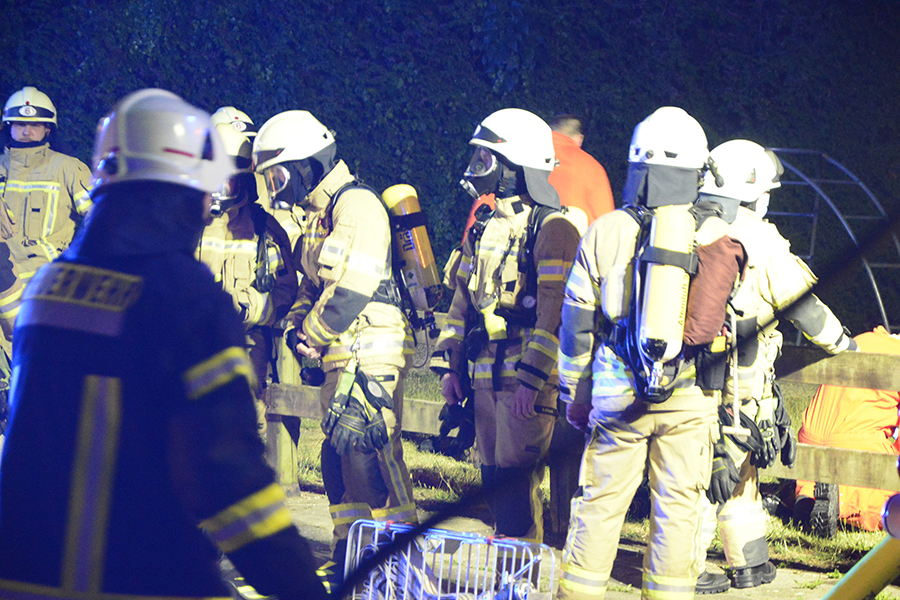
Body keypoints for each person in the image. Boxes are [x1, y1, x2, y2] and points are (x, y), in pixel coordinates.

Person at [0, 89, 327, 599]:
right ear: (184, 191)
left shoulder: (46, 289)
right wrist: (301, 587)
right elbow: (231, 482)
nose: (209, 207)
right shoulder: (185, 299)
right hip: (138, 582)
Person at [555, 107, 748, 600]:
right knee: (678, 510)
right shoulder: (717, 235)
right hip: (690, 399)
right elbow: (731, 327)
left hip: (618, 395)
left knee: (599, 504)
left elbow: (576, 324)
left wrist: (574, 392)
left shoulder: (605, 230)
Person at [252, 109, 416, 590]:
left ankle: (397, 565)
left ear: (307, 165)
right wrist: (297, 326)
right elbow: (313, 284)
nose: (275, 188)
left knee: (371, 453)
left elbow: (353, 287)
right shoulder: (319, 218)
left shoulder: (357, 206)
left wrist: (312, 334)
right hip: (341, 352)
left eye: (278, 176)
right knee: (336, 457)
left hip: (372, 348)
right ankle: (350, 554)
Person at [694, 139, 859, 593]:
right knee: (713, 474)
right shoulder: (757, 236)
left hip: (688, 375)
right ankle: (685, 568)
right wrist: (844, 345)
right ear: (754, 190)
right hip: (739, 380)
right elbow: (802, 305)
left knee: (735, 471)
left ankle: (751, 562)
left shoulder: (683, 222)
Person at [431, 108, 581, 544]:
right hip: (483, 376)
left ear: (516, 167)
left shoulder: (553, 229)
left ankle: (520, 571)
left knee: (515, 489)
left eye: (486, 159)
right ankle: (507, 568)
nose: (478, 168)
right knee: (493, 481)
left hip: (524, 382)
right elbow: (462, 302)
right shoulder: (484, 226)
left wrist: (532, 382)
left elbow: (554, 314)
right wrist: (450, 370)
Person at [196, 123, 298, 442]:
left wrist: (245, 306)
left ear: (241, 179)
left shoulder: (263, 229)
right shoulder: (186, 224)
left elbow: (284, 291)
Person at [0, 86, 93, 342]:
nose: (26, 131)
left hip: (50, 291)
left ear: (48, 129)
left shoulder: (69, 168)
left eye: (35, 125)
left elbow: (102, 221)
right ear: (8, 126)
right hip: (4, 289)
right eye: (20, 124)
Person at [795, 326, 900, 533]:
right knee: (891, 500)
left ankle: (806, 497)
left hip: (809, 441)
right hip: (854, 442)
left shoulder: (863, 339)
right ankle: (841, 502)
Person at [548, 114, 615, 224]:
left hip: (531, 232)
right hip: (575, 232)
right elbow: (605, 217)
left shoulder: (528, 157)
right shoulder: (591, 166)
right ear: (580, 138)